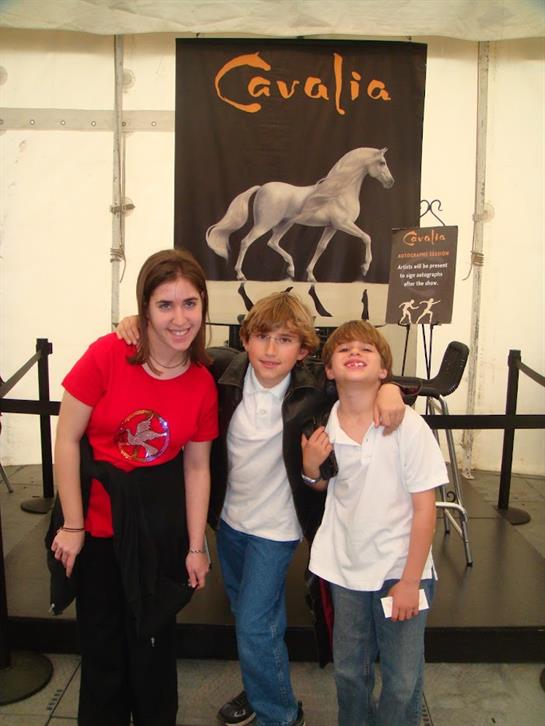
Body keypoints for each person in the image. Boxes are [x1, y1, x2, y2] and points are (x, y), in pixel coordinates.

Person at [117, 292, 405, 726]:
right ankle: (261, 687)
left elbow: (359, 373)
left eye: (286, 340)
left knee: (254, 623)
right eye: (263, 337)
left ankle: (280, 714)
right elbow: (171, 345)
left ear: (304, 350)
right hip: (230, 521)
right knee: (255, 619)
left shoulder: (313, 388)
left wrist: (390, 387)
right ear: (245, 340)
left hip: (279, 526)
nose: (272, 350)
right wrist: (135, 323)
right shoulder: (220, 372)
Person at [49, 248, 218, 726]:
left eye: (190, 303)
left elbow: (197, 469)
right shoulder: (108, 354)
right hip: (99, 534)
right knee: (103, 656)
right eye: (165, 305)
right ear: (144, 308)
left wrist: (195, 546)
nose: (179, 318)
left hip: (158, 538)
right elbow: (67, 437)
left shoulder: (203, 382)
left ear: (204, 308)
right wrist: (74, 524)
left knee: (154, 656)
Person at [302, 320, 448, 726]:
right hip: (345, 569)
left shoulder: (408, 427)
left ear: (384, 369)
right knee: (350, 672)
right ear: (328, 368)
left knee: (402, 680)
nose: (354, 352)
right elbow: (321, 486)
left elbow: (425, 510)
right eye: (343, 347)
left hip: (399, 569)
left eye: (366, 349)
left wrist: (410, 580)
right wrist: (310, 470)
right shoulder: (320, 423)